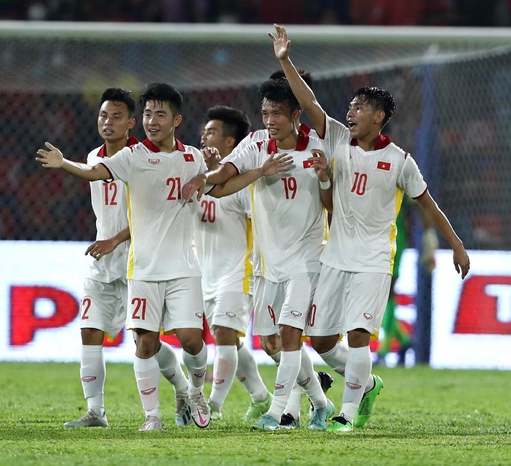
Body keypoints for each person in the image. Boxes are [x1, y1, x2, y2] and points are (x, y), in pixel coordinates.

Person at [269, 23, 470, 432]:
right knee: (323, 341)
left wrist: (456, 244)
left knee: (359, 334)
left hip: (375, 260)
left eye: (359, 108)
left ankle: (345, 413)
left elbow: (428, 205)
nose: (350, 113)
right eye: (350, 107)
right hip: (335, 256)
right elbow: (309, 105)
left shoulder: (400, 160)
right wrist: (285, 60)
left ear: (378, 116)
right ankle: (368, 385)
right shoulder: (338, 140)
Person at [35, 86, 203, 432]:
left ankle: (184, 389)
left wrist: (115, 239)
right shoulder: (95, 156)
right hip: (102, 261)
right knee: (89, 331)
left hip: (136, 260)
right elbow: (99, 189)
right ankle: (96, 411)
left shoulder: (140, 157)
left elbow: (151, 216)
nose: (107, 122)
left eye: (115, 116)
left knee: (148, 342)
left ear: (131, 123)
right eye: (102, 115)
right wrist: (66, 164)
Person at [183, 77, 334, 431]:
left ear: (296, 114)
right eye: (265, 112)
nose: (269, 120)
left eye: (277, 113)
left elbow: (330, 204)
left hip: (305, 258)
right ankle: (321, 403)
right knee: (270, 342)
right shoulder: (255, 143)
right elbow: (224, 176)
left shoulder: (318, 147)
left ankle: (278, 412)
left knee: (290, 333)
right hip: (268, 263)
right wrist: (207, 177)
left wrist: (326, 178)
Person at [196, 105, 273, 422]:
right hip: (207, 274)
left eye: (211, 132)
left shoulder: (242, 183)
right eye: (204, 131)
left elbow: (266, 223)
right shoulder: (199, 178)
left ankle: (212, 406)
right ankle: (261, 396)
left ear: (230, 143)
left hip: (239, 272)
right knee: (229, 339)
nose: (204, 136)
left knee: (225, 335)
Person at [376, 201, 437, 366]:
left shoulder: (399, 176)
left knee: (386, 291)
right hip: (368, 239)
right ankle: (403, 340)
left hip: (393, 240)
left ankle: (383, 351)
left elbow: (419, 201)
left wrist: (427, 235)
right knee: (376, 295)